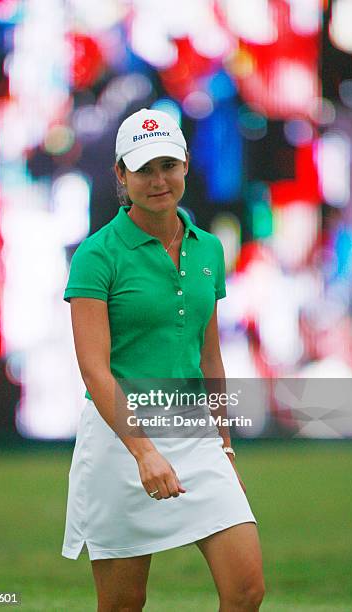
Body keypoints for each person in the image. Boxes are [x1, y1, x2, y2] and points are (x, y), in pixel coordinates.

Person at [61, 108, 265, 612]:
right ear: (120, 176)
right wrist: (144, 452)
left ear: (186, 166)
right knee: (123, 605)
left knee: (246, 590)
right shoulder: (96, 254)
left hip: (196, 435)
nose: (158, 180)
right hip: (119, 441)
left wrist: (225, 445)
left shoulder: (210, 249)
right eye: (144, 169)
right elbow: (94, 369)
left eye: (168, 165)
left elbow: (209, 354)